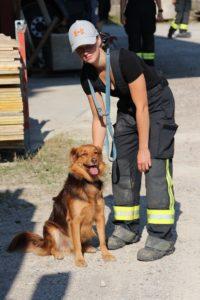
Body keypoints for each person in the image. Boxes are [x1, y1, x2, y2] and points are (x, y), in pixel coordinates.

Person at [68, 20, 178, 261]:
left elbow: (143, 107)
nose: (85, 51)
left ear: (98, 40)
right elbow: (99, 119)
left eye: (88, 44)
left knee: (154, 164)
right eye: (79, 48)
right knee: (121, 163)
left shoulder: (124, 59)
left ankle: (162, 236)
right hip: (128, 108)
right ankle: (127, 227)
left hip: (155, 104)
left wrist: (144, 148)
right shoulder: (86, 76)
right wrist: (93, 158)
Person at [120, 0, 164, 66]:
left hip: (142, 11)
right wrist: (122, 14)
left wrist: (160, 11)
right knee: (137, 40)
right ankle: (140, 67)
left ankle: (146, 67)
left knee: (145, 40)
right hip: (136, 11)